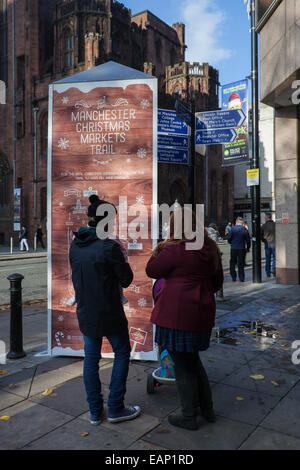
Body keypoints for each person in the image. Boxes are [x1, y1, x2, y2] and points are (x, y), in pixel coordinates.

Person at [146, 208, 224, 431]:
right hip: (201, 313)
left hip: (176, 314)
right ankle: (207, 410)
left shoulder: (174, 250)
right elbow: (217, 282)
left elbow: (151, 270)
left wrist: (161, 247)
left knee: (183, 366)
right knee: (193, 361)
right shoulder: (210, 248)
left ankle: (189, 415)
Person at [69, 197, 141, 426]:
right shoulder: (109, 246)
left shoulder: (75, 244)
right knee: (121, 352)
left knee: (91, 360)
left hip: (86, 312)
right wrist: (121, 252)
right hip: (109, 313)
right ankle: (116, 408)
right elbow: (127, 279)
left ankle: (94, 412)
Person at [227, 217, 251, 282]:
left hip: (234, 248)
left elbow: (229, 238)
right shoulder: (245, 230)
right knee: (241, 264)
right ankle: (241, 278)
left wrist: (231, 243)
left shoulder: (233, 229)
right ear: (242, 223)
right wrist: (248, 248)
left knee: (232, 263)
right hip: (242, 248)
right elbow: (248, 240)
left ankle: (233, 277)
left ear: (236, 222)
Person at [261, 212, 275, 277]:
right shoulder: (275, 224)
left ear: (266, 218)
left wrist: (263, 240)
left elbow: (260, 235)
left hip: (267, 243)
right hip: (274, 242)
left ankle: (268, 272)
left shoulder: (263, 226)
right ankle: (274, 269)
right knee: (275, 257)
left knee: (267, 258)